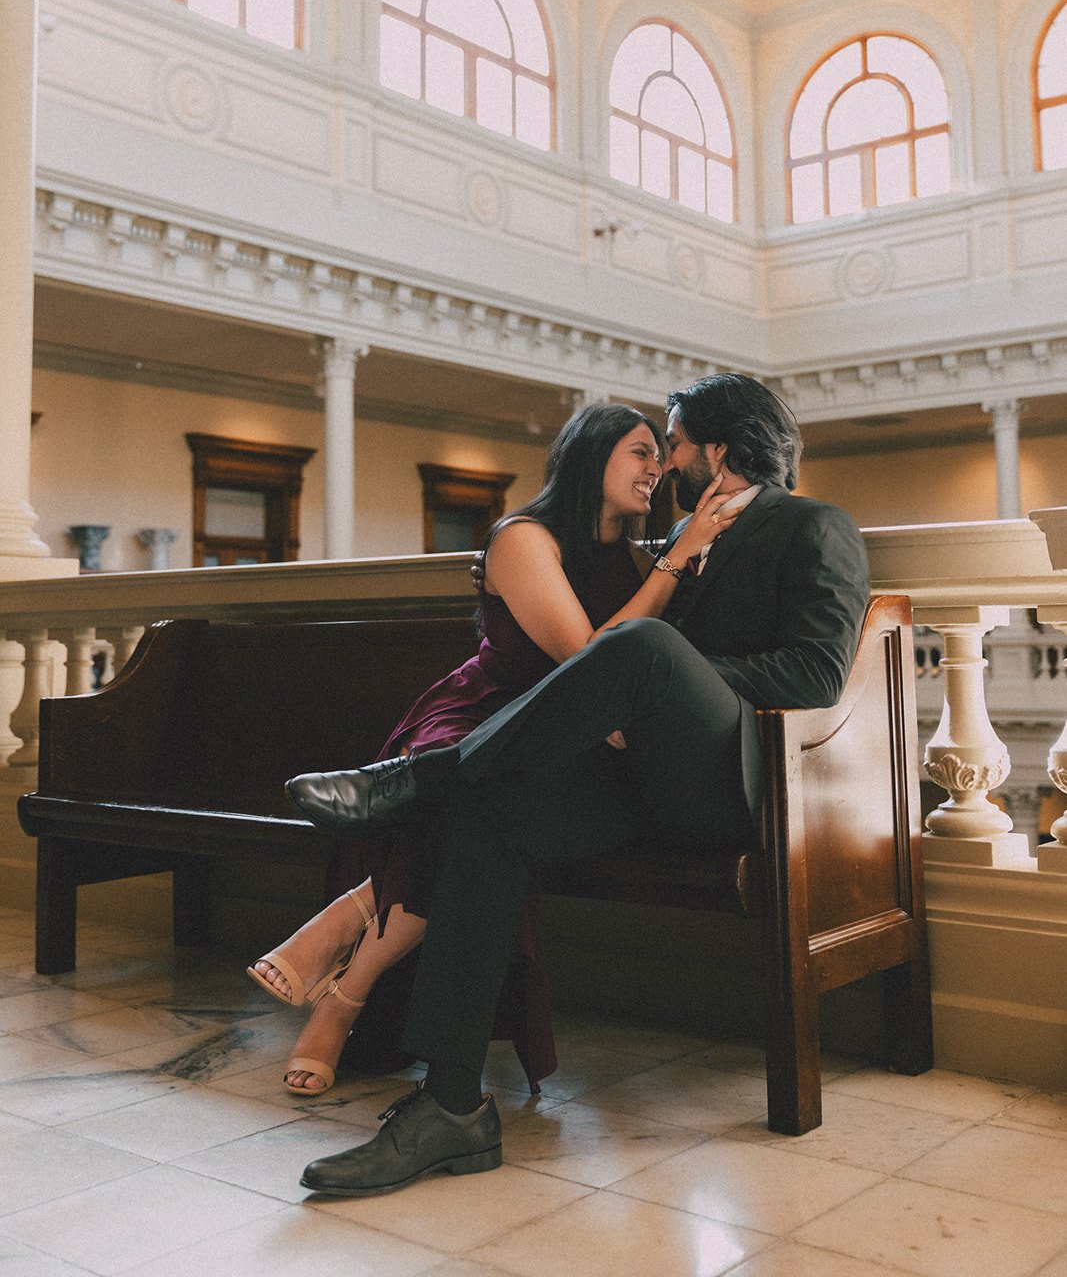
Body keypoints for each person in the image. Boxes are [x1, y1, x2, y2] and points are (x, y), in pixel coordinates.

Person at [284, 372, 871, 1197]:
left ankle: (414, 782)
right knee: (493, 814)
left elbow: (815, 674)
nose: (666, 462)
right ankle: (450, 1107)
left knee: (638, 650)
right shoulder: (670, 544)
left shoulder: (815, 527)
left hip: (737, 790)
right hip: (638, 784)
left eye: (673, 443)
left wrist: (671, 677)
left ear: (720, 450)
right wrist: (654, 657)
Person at [246, 401, 735, 1094]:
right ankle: (342, 1002)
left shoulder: (635, 560)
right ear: (589, 456)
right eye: (639, 450)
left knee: (489, 805)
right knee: (460, 802)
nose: (656, 466)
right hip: (478, 719)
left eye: (662, 453)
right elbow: (587, 661)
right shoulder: (523, 537)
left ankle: (343, 925)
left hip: (561, 740)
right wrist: (676, 561)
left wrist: (677, 558)